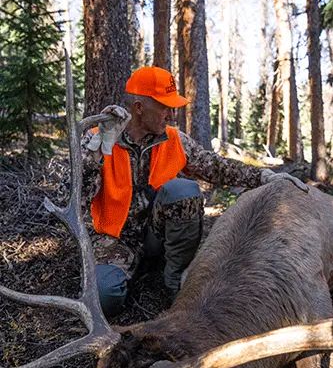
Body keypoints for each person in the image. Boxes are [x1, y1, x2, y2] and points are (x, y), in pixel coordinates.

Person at [80, 66, 308, 317]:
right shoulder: (97, 139)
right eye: (164, 106)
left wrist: (264, 176)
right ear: (139, 107)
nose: (171, 114)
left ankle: (174, 279)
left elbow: (216, 167)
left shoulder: (174, 139)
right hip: (115, 241)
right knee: (103, 298)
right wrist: (97, 154)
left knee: (183, 190)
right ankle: (129, 271)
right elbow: (77, 198)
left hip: (157, 235)